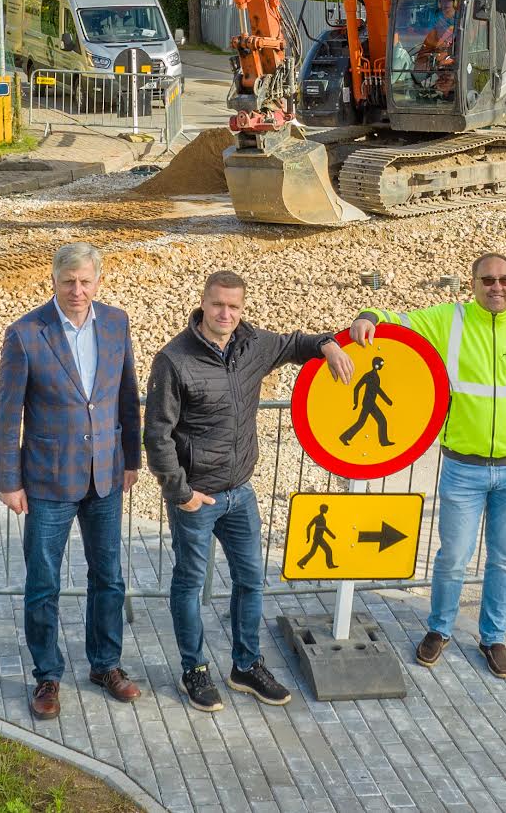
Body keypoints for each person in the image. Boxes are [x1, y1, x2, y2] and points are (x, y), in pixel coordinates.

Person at [349, 253, 506, 679]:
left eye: (505, 279)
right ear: (473, 284)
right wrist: (368, 313)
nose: (497, 287)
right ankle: (439, 629)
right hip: (463, 467)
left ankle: (494, 637)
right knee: (453, 557)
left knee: (503, 559)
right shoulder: (448, 321)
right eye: (488, 280)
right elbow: (398, 322)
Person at [147, 270, 354, 713]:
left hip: (241, 494)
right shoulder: (174, 360)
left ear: (243, 309)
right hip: (196, 498)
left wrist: (328, 344)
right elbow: (157, 435)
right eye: (218, 304)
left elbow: (298, 342)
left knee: (250, 582)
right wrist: (179, 492)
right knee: (189, 584)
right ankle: (194, 670)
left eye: (234, 307)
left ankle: (246, 666)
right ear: (203, 303)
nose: (225, 313)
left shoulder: (253, 345)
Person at [0, 242, 143, 720]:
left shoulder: (117, 324)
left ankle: (105, 664)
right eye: (68, 282)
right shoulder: (25, 334)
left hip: (105, 477)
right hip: (46, 481)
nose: (77, 291)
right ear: (53, 281)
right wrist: (9, 481)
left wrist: (132, 459)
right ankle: (47, 675)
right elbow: (7, 413)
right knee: (43, 583)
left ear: (98, 281)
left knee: (109, 578)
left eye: (85, 281)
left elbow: (127, 397)